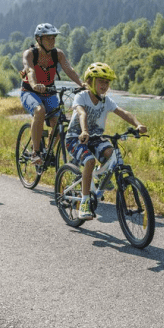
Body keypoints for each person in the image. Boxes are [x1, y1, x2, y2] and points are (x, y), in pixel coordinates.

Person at [64, 62, 146, 220]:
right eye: (101, 81)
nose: (104, 85)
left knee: (112, 153)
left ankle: (101, 176)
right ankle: (84, 202)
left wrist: (138, 124)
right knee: (89, 161)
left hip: (95, 138)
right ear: (90, 81)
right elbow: (82, 113)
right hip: (76, 138)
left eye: (107, 82)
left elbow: (123, 112)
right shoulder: (82, 96)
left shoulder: (106, 100)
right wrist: (84, 130)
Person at [19, 23, 84, 164]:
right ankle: (35, 153)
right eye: (48, 38)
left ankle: (48, 151)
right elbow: (30, 70)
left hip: (49, 92)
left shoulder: (58, 54)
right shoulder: (30, 54)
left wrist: (82, 84)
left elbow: (69, 70)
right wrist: (35, 85)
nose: (52, 41)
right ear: (38, 39)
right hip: (29, 91)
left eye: (53, 38)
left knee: (58, 121)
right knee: (39, 110)